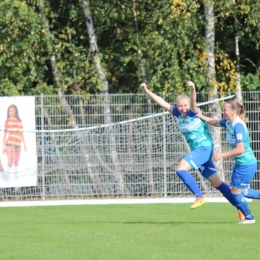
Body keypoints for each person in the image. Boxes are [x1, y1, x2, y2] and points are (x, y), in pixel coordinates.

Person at [140, 81, 237, 212]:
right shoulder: (178, 114)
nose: (183, 108)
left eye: (185, 105)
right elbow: (162, 102)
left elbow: (194, 101)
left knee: (180, 169)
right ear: (177, 107)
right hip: (200, 152)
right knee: (217, 184)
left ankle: (199, 196)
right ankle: (241, 208)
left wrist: (193, 89)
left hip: (204, 148)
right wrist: (146, 90)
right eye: (180, 106)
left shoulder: (193, 112)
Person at [197, 99, 259, 224]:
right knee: (237, 191)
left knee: (236, 193)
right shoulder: (229, 123)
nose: (223, 112)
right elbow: (215, 122)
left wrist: (221, 155)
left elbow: (240, 149)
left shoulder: (238, 126)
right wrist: (200, 115)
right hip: (241, 164)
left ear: (233, 112)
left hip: (246, 164)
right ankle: (248, 216)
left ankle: (249, 218)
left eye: (225, 110)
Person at [2, 104, 27, 176]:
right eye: (10, 111)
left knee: (16, 162)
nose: (11, 112)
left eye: (13, 110)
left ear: (16, 111)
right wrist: (3, 147)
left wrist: (25, 144)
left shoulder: (19, 120)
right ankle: (6, 177)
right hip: (10, 143)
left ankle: (16, 178)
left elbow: (21, 133)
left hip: (18, 143)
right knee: (10, 162)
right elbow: (5, 134)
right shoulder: (7, 121)